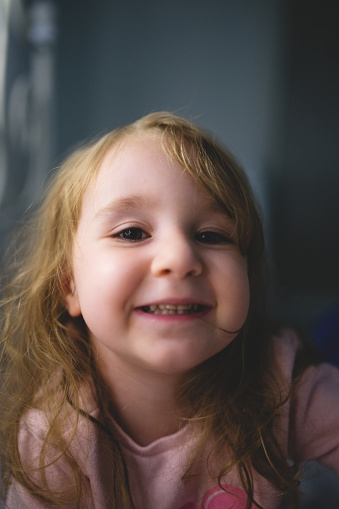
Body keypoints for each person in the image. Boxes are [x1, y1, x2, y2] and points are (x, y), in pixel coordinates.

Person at [0, 112, 338, 509]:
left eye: (211, 235)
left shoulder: (282, 382)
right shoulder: (53, 439)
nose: (179, 257)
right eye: (132, 233)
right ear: (68, 286)